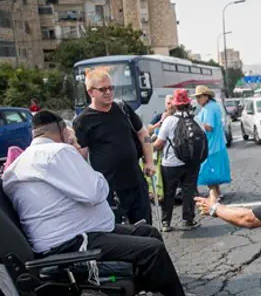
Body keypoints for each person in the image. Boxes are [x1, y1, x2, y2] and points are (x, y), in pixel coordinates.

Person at [2, 111, 208, 296]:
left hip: (70, 236)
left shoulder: (20, 162)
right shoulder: (57, 152)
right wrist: (74, 150)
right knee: (152, 250)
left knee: (147, 232)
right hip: (71, 242)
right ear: (62, 130)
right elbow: (95, 192)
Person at [74, 68, 156, 225]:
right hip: (110, 189)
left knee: (146, 229)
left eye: (111, 88)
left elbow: (143, 134)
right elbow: (81, 156)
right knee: (120, 234)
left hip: (136, 182)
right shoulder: (83, 121)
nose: (108, 92)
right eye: (102, 89)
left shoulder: (122, 108)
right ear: (91, 92)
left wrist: (149, 161)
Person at [153, 90, 201, 232]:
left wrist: (149, 148)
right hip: (191, 163)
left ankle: (166, 223)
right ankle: (188, 220)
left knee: (169, 193)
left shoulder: (169, 120)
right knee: (188, 191)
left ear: (175, 105)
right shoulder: (195, 119)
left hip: (171, 164)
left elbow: (159, 143)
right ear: (188, 104)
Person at [194, 85, 231, 203]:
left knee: (208, 170)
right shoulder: (214, 106)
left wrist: (196, 122)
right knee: (214, 169)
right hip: (218, 143)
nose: (197, 100)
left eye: (199, 97)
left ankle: (214, 194)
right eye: (196, 97)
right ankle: (217, 192)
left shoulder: (208, 109)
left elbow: (209, 127)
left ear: (206, 96)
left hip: (211, 145)